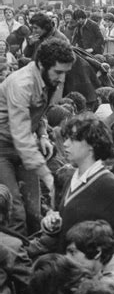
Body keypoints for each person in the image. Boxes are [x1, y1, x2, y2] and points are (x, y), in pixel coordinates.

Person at [29, 112, 114, 255]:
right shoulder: (71, 178)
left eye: (73, 139)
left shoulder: (110, 186)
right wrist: (54, 224)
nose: (65, 144)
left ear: (92, 144)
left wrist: (91, 259)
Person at [0, 38, 75, 234]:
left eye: (65, 73)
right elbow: (21, 136)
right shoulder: (21, 84)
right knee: (15, 210)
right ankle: (17, 259)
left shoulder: (47, 79)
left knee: (34, 212)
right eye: (58, 72)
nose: (61, 79)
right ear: (41, 64)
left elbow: (39, 113)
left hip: (25, 145)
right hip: (3, 149)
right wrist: (48, 177)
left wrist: (42, 135)